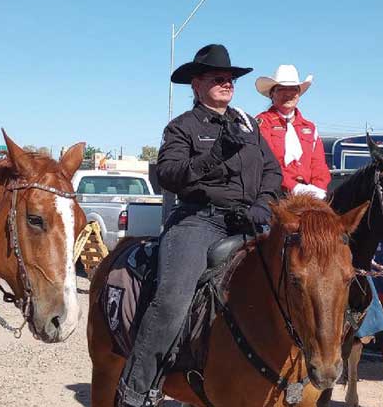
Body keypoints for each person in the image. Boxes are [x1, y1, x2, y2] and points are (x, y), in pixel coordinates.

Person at [117, 44, 283, 407]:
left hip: (251, 219)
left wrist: (265, 202)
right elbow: (170, 176)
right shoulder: (181, 128)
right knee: (172, 301)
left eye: (231, 79)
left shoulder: (248, 125)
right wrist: (215, 155)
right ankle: (136, 392)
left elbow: (272, 170)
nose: (228, 84)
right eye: (218, 78)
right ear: (196, 84)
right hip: (199, 221)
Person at [255, 64, 330, 197]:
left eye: (294, 89)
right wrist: (294, 187)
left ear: (299, 94)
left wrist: (318, 189)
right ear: (272, 94)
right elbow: (267, 163)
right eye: (282, 89)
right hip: (275, 193)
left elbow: (319, 164)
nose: (288, 94)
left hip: (309, 194)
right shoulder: (263, 123)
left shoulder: (310, 128)